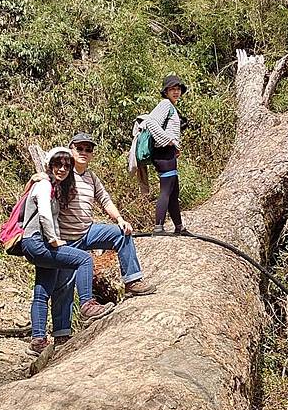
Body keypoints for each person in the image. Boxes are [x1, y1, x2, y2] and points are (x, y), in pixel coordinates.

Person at [48, 133, 157, 345]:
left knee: (121, 233)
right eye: (79, 148)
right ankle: (61, 334)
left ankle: (132, 281)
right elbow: (45, 183)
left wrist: (120, 219)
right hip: (65, 239)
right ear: (71, 149)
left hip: (87, 231)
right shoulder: (63, 173)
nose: (84, 152)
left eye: (88, 149)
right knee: (64, 285)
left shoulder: (91, 177)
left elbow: (104, 199)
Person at [21, 147, 115, 354]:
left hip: (35, 243)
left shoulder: (49, 185)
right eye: (58, 164)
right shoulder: (45, 185)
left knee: (42, 290)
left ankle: (38, 340)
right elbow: (45, 215)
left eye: (66, 166)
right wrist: (55, 240)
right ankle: (88, 305)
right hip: (38, 242)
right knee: (83, 259)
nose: (62, 169)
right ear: (50, 165)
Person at [145, 74, 188, 235]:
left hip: (168, 153)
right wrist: (167, 140)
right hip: (163, 153)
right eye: (172, 89)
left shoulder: (171, 106)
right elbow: (150, 122)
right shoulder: (165, 104)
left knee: (173, 190)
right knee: (166, 190)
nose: (176, 92)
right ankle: (158, 227)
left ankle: (179, 227)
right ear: (166, 91)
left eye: (178, 89)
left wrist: (174, 146)